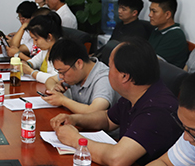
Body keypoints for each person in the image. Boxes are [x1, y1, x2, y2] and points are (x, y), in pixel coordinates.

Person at [51, 38, 181, 166]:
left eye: (110, 67)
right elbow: (108, 119)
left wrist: (75, 139)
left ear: (124, 76)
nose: (107, 71)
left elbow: (117, 159)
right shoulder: (134, 93)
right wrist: (75, 119)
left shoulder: (157, 110)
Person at [42, 38, 117, 113]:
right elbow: (50, 80)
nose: (61, 76)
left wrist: (63, 100)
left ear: (79, 64)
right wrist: (54, 90)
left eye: (62, 72)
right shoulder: (76, 73)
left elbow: (95, 111)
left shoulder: (104, 79)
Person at [147, 0, 189, 68]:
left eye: (154, 11)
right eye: (150, 11)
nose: (150, 15)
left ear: (167, 15)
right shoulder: (157, 30)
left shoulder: (175, 36)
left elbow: (152, 62)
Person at [20, 12, 63, 83]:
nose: (34, 43)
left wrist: (31, 72)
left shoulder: (62, 51)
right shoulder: (47, 49)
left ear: (49, 37)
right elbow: (34, 62)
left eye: (36, 39)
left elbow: (56, 78)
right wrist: (26, 64)